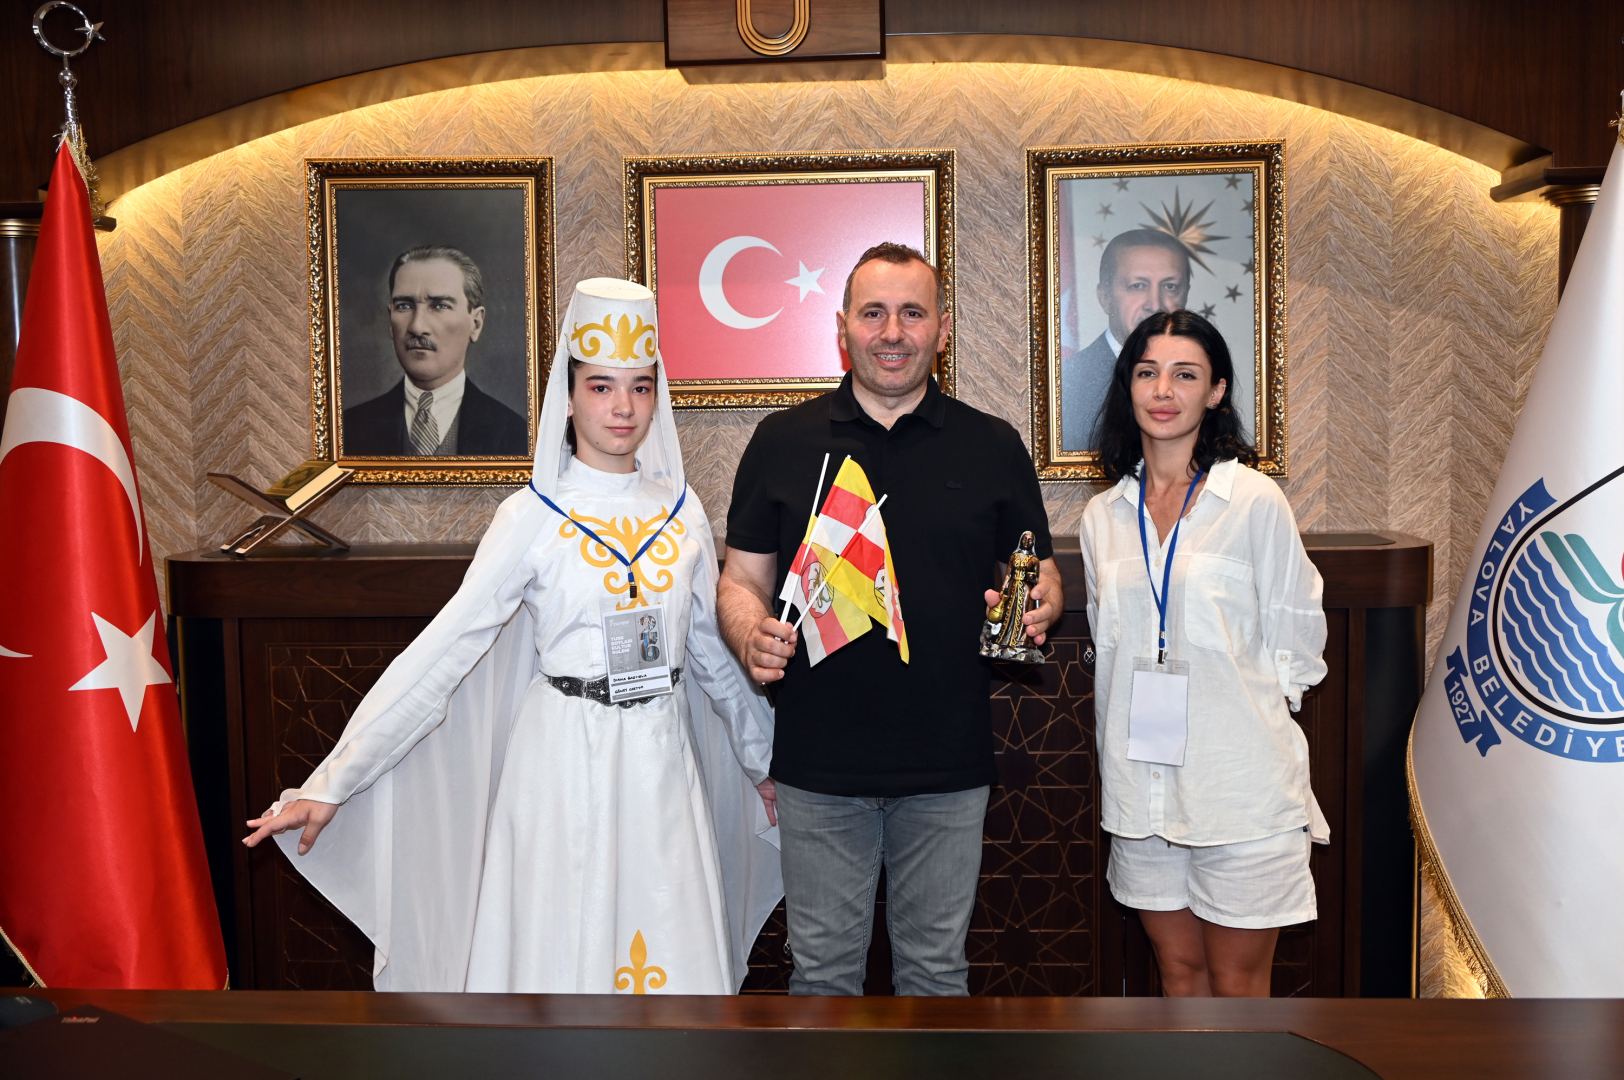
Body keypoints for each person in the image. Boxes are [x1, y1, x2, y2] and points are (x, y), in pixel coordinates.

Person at [245, 278, 781, 993]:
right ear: (570, 395)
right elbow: (443, 653)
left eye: (640, 387)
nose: (623, 408)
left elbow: (711, 660)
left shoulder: (681, 513)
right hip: (560, 760)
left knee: (664, 940)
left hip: (659, 759)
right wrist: (336, 779)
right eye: (601, 387)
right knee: (563, 949)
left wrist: (765, 762)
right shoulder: (530, 515)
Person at [718, 242, 1063, 996]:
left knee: (937, 977)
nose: (893, 332)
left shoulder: (992, 444)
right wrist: (748, 632)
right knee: (822, 980)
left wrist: (1041, 602)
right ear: (843, 326)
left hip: (947, 764)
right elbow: (741, 580)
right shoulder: (783, 441)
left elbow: (1034, 572)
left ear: (943, 329)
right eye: (873, 313)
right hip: (818, 765)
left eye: (913, 313)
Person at [1079, 308, 1326, 997]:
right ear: (1129, 386)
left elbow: (1298, 638)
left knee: (1237, 987)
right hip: (1142, 791)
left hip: (1237, 789)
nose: (1164, 390)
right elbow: (1109, 641)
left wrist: (1237, 717)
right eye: (1147, 372)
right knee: (1179, 976)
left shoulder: (1253, 501)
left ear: (1215, 391)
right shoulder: (1103, 516)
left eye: (1185, 375)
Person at [343, 245, 529, 457]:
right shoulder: (349, 431)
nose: (417, 327)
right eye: (404, 306)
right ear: (390, 319)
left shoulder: (515, 434)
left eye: (440, 306)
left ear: (476, 324)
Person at [1060, 229, 1191, 452]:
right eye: (1137, 286)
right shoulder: (1069, 384)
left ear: (1185, 294)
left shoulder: (1202, 379)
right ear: (1105, 298)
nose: (1155, 304)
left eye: (1170, 286)